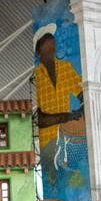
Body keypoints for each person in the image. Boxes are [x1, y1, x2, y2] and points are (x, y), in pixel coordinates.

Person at [33, 25, 84, 187]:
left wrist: (81, 110)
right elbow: (41, 120)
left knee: (73, 180)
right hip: (48, 143)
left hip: (67, 138)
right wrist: (68, 116)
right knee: (55, 183)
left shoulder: (65, 69)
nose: (51, 52)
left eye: (52, 48)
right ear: (39, 52)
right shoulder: (38, 75)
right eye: (46, 49)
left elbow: (84, 94)